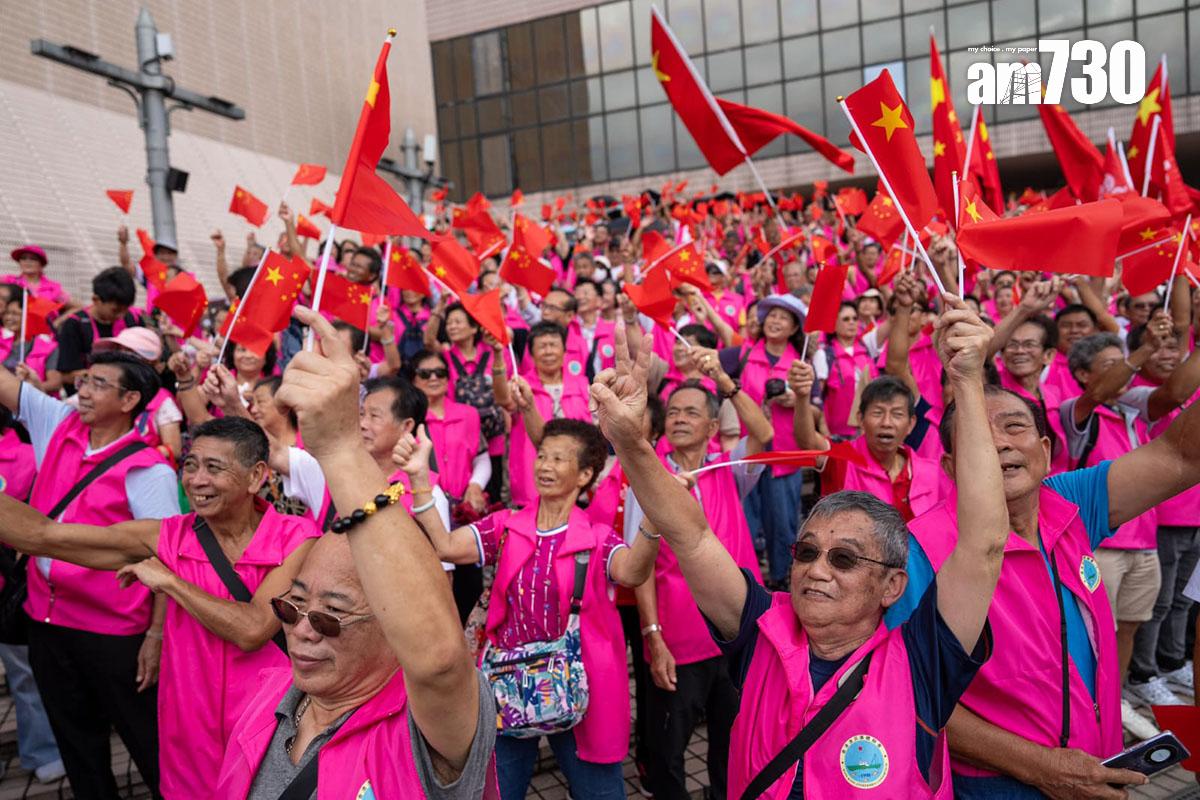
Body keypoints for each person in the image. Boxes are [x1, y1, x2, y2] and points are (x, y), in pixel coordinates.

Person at [591, 297, 1012, 799]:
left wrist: (967, 381)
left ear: (893, 585)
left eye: (845, 558)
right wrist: (630, 442)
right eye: (807, 553)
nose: (817, 570)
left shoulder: (923, 660)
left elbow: (984, 545)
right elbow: (692, 536)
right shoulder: (761, 629)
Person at [883, 336, 1200, 796]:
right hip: (1000, 787)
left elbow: (1182, 455)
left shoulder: (1071, 502)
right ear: (951, 467)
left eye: (1015, 427)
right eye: (979, 434)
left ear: (1046, 450)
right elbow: (908, 693)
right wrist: (1042, 768)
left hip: (1098, 771)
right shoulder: (919, 550)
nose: (998, 443)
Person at [213, 305, 497, 798]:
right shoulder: (267, 695)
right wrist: (232, 406)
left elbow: (438, 654)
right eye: (291, 607)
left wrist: (341, 445)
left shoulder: (422, 732)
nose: (301, 631)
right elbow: (269, 453)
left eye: (330, 617)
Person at [0, 416, 321, 798]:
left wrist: (170, 581)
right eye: (190, 465)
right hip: (189, 733)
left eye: (213, 467)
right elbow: (43, 536)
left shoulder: (297, 538)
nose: (196, 480)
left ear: (255, 476)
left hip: (270, 726)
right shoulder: (166, 536)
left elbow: (252, 629)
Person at [403, 417, 660, 800]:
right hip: (509, 685)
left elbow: (634, 572)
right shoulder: (507, 525)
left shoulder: (597, 538)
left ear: (585, 474)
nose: (545, 466)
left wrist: (656, 517)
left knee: (598, 792)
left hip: (581, 690)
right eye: (542, 456)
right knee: (499, 790)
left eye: (559, 458)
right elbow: (446, 546)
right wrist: (419, 478)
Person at [0, 351, 177, 799]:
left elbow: (166, 561)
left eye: (99, 384)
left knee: (147, 743)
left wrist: (156, 637)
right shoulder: (59, 425)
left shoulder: (148, 469)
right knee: (77, 746)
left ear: (130, 400)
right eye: (84, 380)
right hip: (46, 623)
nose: (83, 391)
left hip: (115, 634)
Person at [635, 349, 773, 800]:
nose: (679, 419)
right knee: (668, 754)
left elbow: (764, 433)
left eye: (691, 412)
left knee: (731, 748)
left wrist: (724, 381)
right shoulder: (649, 479)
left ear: (713, 427)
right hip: (679, 642)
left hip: (738, 633)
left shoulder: (730, 470)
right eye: (673, 411)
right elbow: (640, 569)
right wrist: (654, 638)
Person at [1061, 319, 1200, 732]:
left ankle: (1114, 699)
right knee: (1095, 633)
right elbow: (1099, 392)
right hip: (1098, 546)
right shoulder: (1076, 411)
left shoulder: (1134, 407)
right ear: (1083, 375)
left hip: (1145, 544)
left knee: (1131, 627)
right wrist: (1142, 351)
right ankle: (1085, 706)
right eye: (1113, 365)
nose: (1128, 372)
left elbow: (1175, 394)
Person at [718, 294, 806, 589]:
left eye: (784, 317)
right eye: (772, 315)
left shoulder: (800, 365)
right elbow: (713, 375)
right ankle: (747, 585)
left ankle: (781, 583)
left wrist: (798, 400)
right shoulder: (742, 355)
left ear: (795, 327)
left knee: (783, 528)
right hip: (748, 456)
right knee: (744, 523)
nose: (775, 321)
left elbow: (817, 412)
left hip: (784, 458)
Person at [792, 369, 946, 522]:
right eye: (877, 413)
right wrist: (802, 397)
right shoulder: (842, 460)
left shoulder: (929, 472)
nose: (886, 423)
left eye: (897, 414)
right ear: (861, 419)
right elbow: (808, 442)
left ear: (911, 424)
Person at [493, 321, 593, 508]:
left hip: (576, 486)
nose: (548, 352)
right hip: (532, 487)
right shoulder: (522, 386)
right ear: (531, 354)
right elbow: (503, 398)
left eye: (553, 345)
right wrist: (498, 356)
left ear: (564, 351)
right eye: (542, 346)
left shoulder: (583, 385)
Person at [55, 267, 142, 390]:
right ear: (96, 300)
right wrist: (105, 378)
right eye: (115, 310)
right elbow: (66, 376)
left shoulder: (133, 319)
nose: (121, 316)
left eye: (126, 310)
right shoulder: (75, 325)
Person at [3, 244, 73, 308]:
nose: (27, 262)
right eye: (23, 258)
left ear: (41, 264)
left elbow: (76, 306)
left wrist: (60, 318)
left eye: (33, 259)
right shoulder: (9, 281)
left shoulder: (52, 288)